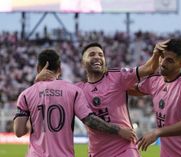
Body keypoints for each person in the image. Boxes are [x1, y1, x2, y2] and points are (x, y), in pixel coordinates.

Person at [36, 41, 166, 157]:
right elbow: (48, 98)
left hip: (124, 148)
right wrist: (38, 81)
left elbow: (149, 68)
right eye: (92, 54)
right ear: (83, 62)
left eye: (100, 54)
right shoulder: (77, 89)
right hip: (97, 152)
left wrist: (156, 54)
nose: (97, 57)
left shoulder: (117, 77)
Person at [13, 49, 136, 157]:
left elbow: (19, 131)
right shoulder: (73, 90)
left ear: (38, 69)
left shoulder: (26, 94)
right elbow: (90, 120)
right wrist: (118, 130)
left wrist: (35, 121)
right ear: (60, 69)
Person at [130, 38, 181, 157]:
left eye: (169, 60)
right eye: (162, 57)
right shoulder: (156, 79)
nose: (162, 63)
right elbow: (129, 89)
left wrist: (157, 132)